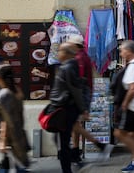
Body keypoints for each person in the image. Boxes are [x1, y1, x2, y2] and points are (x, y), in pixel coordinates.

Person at [66, 34, 114, 164]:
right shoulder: (82, 56)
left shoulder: (79, 58)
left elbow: (79, 81)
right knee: (75, 125)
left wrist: (79, 102)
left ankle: (100, 145)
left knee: (73, 124)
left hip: (81, 95)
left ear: (75, 45)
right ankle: (76, 152)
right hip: (83, 94)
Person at [50, 42, 88, 173]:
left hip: (65, 109)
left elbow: (75, 90)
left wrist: (83, 109)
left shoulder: (67, 68)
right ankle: (67, 166)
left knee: (63, 142)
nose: (58, 53)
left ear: (66, 54)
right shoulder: (68, 66)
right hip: (65, 108)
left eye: (60, 51)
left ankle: (66, 169)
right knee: (61, 140)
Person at [113, 40, 134, 173]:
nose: (121, 53)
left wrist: (125, 104)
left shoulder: (133, 66)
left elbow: (133, 88)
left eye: (122, 50)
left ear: (129, 51)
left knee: (119, 133)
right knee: (133, 134)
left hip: (132, 106)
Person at [0, 64, 30, 172]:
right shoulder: (16, 91)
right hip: (18, 136)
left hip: (8, 140)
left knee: (7, 166)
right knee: (15, 165)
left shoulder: (3, 95)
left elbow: (6, 120)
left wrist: (2, 141)